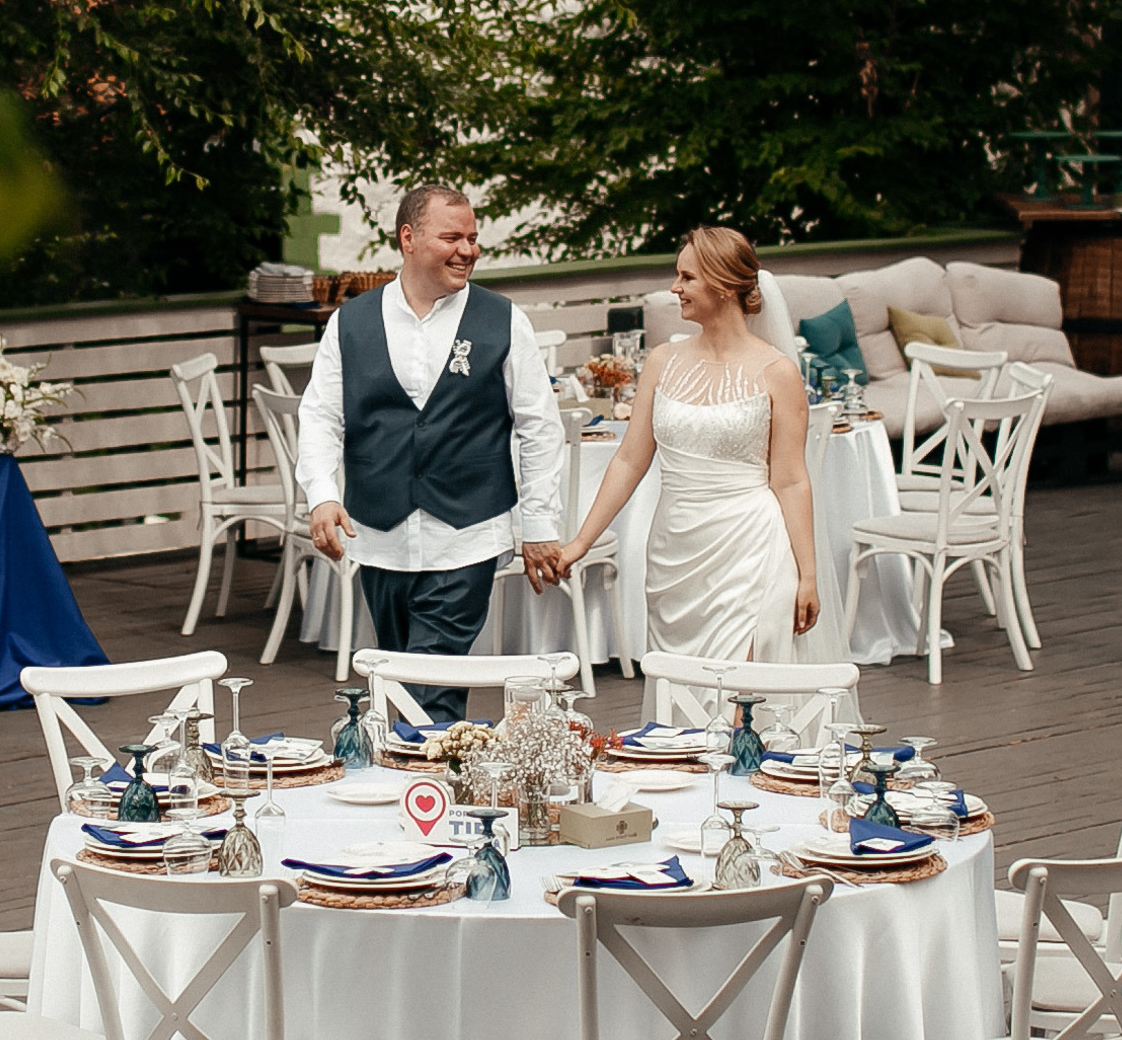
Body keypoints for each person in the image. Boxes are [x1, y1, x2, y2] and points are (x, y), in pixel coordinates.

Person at [296, 185, 567, 724]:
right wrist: (323, 496)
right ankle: (426, 787)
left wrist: (538, 523)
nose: (467, 249)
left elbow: (539, 425)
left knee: (433, 684)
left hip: (466, 532)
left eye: (472, 238)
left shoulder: (503, 320)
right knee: (398, 676)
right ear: (409, 238)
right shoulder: (351, 322)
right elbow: (321, 415)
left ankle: (424, 793)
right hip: (379, 535)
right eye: (452, 237)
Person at [535, 226, 820, 662]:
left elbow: (791, 481)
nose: (675, 288)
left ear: (724, 285)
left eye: (687, 278)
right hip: (674, 554)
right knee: (680, 695)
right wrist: (580, 543)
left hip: (751, 551)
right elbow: (629, 460)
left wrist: (808, 575)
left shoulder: (776, 372)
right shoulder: (663, 362)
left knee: (740, 698)